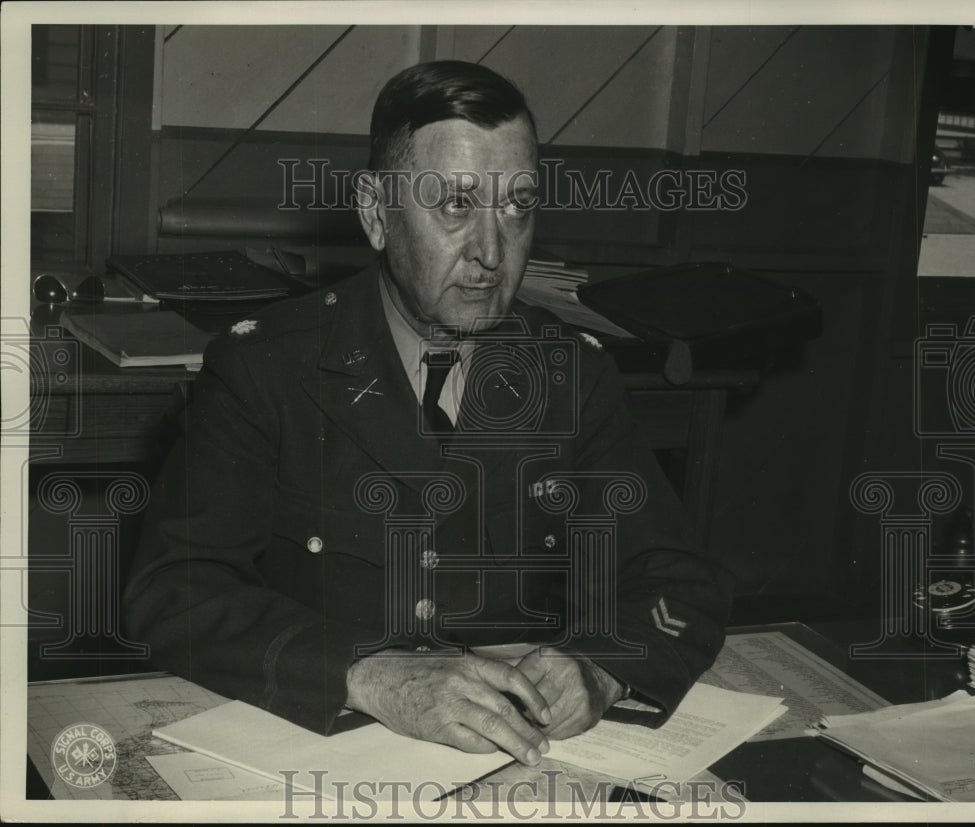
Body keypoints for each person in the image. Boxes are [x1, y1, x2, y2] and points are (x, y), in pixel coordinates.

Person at [123, 60, 731, 768]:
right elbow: (173, 591)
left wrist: (601, 665)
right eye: (455, 205)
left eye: (517, 206)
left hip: (522, 764)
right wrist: (366, 673)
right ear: (377, 215)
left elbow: (679, 580)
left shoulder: (572, 373)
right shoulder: (268, 369)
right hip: (323, 754)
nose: (492, 252)